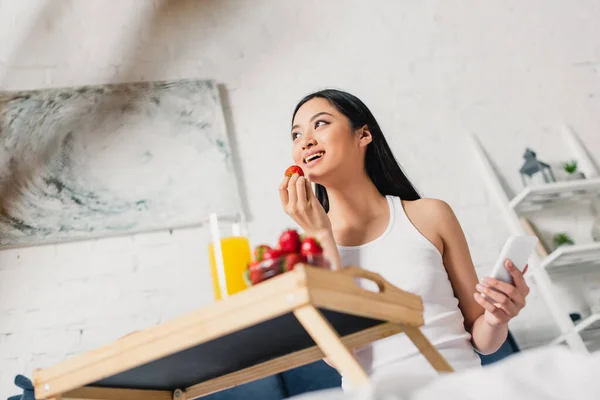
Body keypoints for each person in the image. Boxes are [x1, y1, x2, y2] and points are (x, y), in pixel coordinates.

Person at [279, 89, 530, 390]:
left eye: (320, 124)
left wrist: (497, 318)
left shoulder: (430, 216)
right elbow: (343, 357)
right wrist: (321, 235)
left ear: (363, 135)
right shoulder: (304, 252)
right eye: (296, 134)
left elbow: (482, 339)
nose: (305, 140)